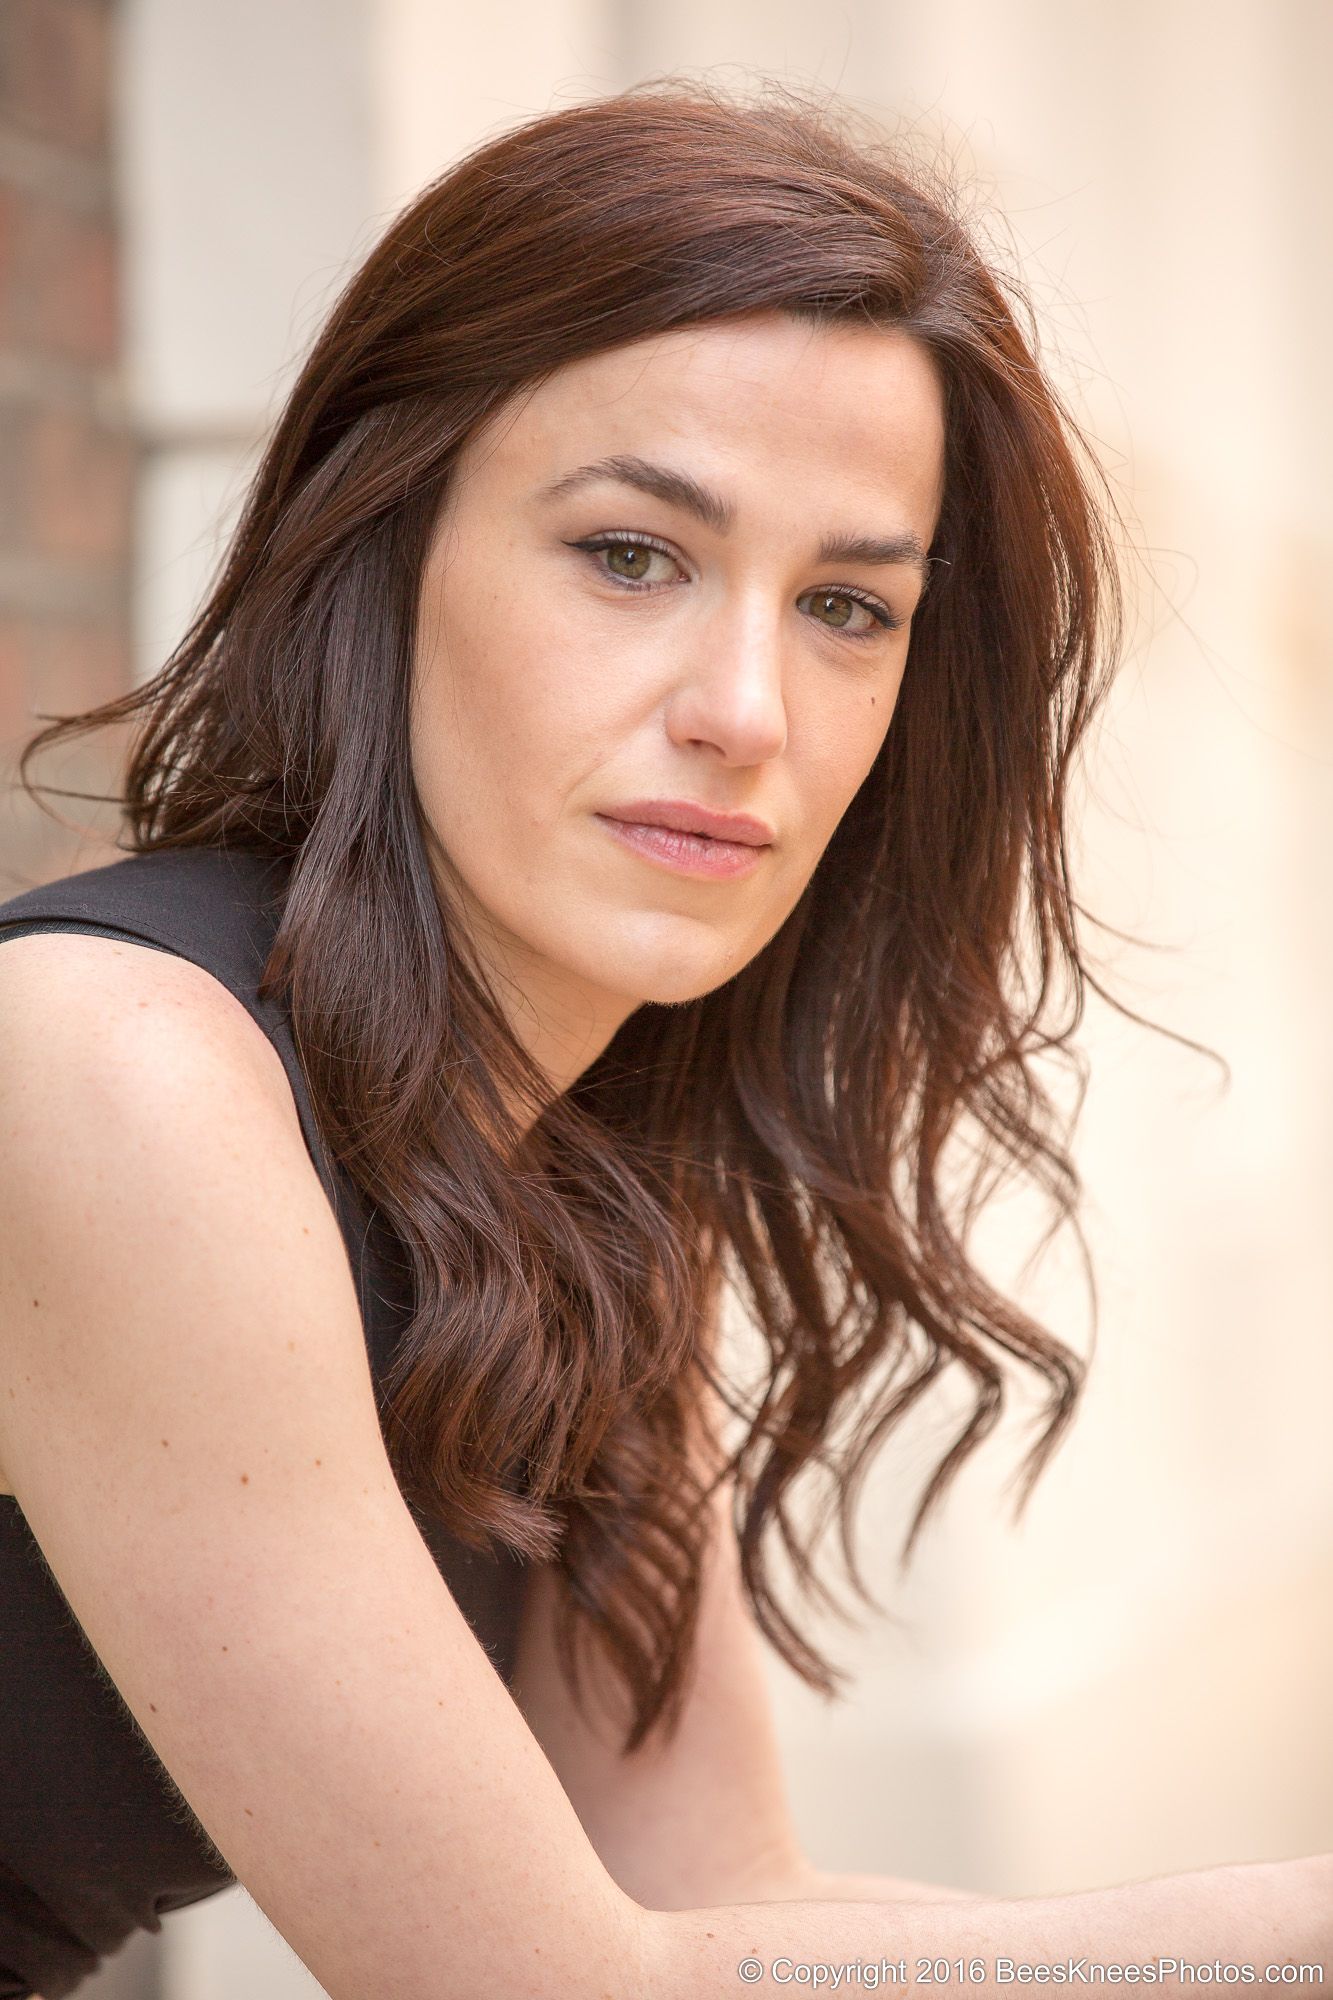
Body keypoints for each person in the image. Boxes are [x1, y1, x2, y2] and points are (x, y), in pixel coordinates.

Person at [0, 77, 1328, 2000]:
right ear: (385, 542)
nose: (744, 708)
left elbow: (715, 1907)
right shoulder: (116, 1069)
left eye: (847, 606)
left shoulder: (565, 1160)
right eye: (630, 554)